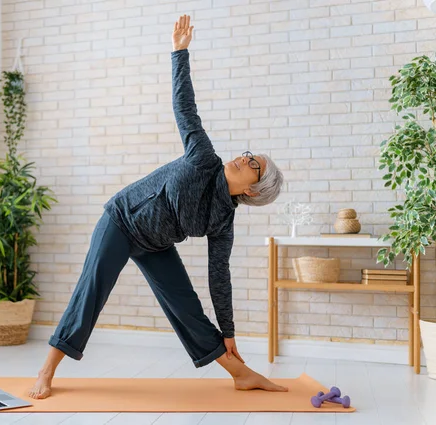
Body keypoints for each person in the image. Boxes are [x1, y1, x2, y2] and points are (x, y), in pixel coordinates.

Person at [29, 14, 286, 399]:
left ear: (253, 191)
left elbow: (220, 277)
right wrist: (179, 52)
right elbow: (185, 108)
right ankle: (46, 371)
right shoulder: (204, 157)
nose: (244, 159)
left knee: (186, 306)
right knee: (92, 290)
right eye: (250, 155)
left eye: (255, 166)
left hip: (155, 243)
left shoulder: (223, 220)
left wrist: (228, 331)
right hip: (121, 220)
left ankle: (240, 373)